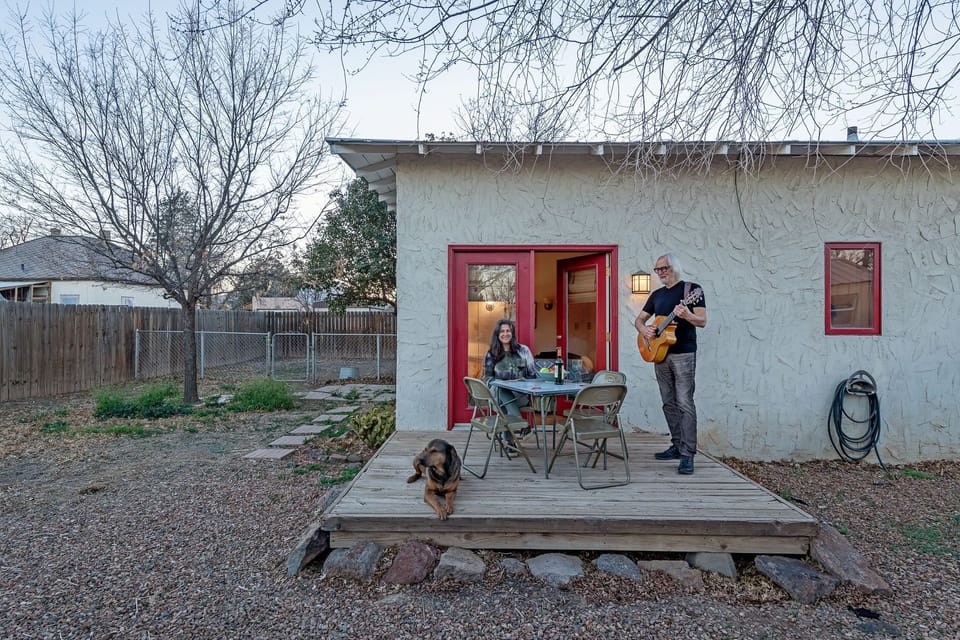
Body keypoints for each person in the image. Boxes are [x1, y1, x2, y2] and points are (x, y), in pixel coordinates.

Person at [634, 253, 707, 475]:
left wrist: (686, 315)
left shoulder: (691, 291)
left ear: (675, 267)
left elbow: (702, 321)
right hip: (659, 354)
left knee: (685, 402)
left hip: (683, 353)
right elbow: (639, 319)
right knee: (668, 402)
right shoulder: (656, 295)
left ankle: (688, 454)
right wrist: (644, 330)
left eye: (664, 268)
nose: (660, 272)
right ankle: (676, 445)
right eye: (657, 270)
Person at [482, 318, 537, 418]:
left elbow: (532, 375)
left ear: (512, 333)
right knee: (501, 388)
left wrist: (521, 382)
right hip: (497, 395)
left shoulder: (524, 351)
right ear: (497, 334)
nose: (505, 334)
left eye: (508, 331)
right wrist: (502, 384)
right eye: (502, 331)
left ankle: (512, 429)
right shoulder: (491, 354)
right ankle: (519, 422)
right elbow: (487, 378)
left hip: (520, 395)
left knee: (502, 405)